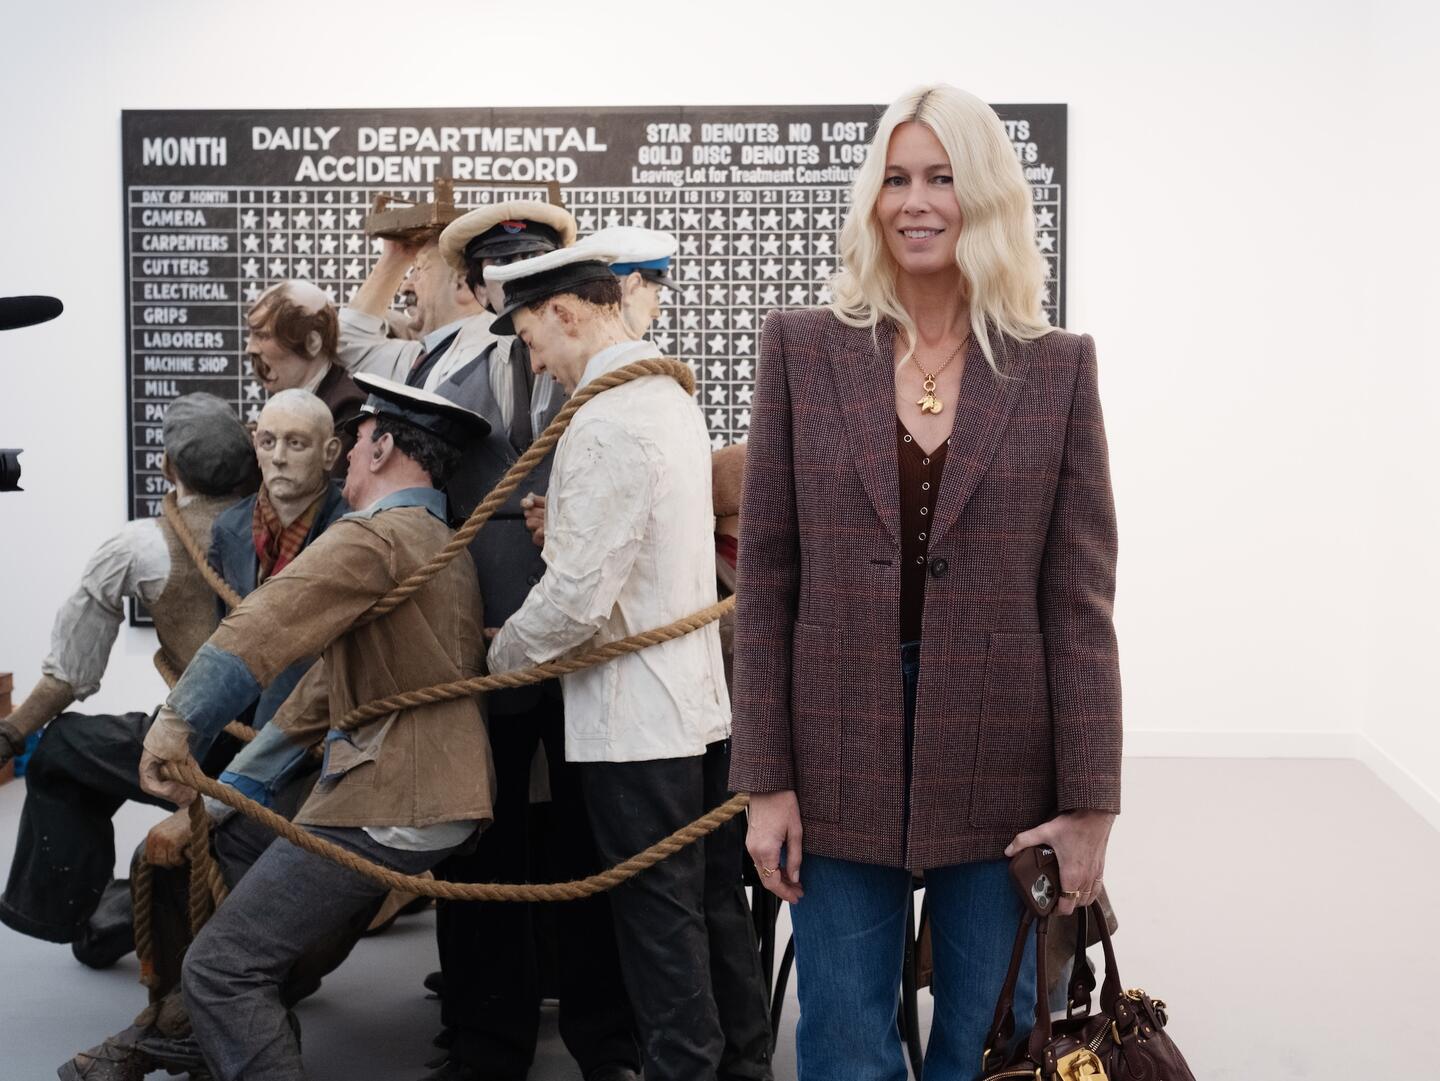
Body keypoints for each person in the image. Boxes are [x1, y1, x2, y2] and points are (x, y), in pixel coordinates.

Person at [729, 84, 1122, 1081]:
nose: (915, 201)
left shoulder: (1057, 369)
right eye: (895, 178)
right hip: (834, 738)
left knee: (996, 1037)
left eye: (941, 178)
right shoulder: (801, 348)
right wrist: (764, 780)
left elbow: (1078, 606)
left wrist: (1091, 805)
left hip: (1003, 751)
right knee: (844, 1037)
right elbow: (767, 580)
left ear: (982, 196)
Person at [135, 374, 493, 1080]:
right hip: (430, 792)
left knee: (223, 969)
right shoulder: (432, 536)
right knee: (234, 865)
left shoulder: (375, 537)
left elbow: (263, 620)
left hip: (394, 796)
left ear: (384, 445)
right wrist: (226, 791)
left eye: (357, 441)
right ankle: (156, 1037)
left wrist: (174, 723)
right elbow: (318, 697)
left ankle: (189, 1028)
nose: (347, 460)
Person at [486, 245, 773, 1081]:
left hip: (635, 724)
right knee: (711, 909)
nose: (532, 359)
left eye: (533, 337)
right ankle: (744, 1069)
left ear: (569, 313)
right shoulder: (666, 400)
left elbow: (577, 603)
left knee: (659, 927)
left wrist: (499, 653)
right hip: (697, 711)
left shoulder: (604, 419)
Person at [58, 389, 351, 1081]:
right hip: (262, 737)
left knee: (243, 873)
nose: (280, 457)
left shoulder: (353, 530)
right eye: (269, 441)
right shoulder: (229, 535)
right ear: (253, 443)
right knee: (163, 855)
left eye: (300, 443)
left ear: (332, 453)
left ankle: (200, 1024)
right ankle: (177, 1020)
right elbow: (241, 656)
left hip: (329, 745)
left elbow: (325, 675)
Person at [422, 202, 640, 1081]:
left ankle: (608, 1041)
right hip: (478, 640)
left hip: (589, 642)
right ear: (474, 284)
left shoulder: (605, 364)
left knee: (595, 846)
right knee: (478, 840)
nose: (511, 281)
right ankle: (484, 1041)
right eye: (495, 269)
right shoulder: (439, 366)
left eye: (532, 265)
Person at [0, 394, 258, 966]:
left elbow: (70, 674)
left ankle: (59, 908)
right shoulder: (290, 530)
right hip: (281, 742)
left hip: (207, 750)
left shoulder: (139, 546)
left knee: (63, 747)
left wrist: (15, 733)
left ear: (168, 468)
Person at [338, 232, 496, 391]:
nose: (404, 287)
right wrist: (395, 257)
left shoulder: (484, 359)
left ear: (462, 285)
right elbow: (349, 346)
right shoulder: (429, 354)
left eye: (420, 269)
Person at [245, 281, 365, 468]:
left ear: (312, 343)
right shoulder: (292, 399)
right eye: (252, 335)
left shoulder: (348, 409)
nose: (250, 347)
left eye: (263, 336)